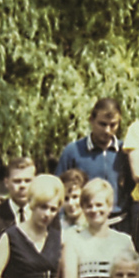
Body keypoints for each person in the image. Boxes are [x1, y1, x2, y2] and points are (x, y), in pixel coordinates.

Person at [62, 179, 135, 278]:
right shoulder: (72, 239)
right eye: (89, 206)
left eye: (99, 205)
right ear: (82, 208)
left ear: (109, 207)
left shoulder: (124, 241)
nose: (94, 210)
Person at [56, 98, 134, 231]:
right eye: (102, 124)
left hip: (119, 222)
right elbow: (58, 189)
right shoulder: (74, 151)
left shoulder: (125, 151)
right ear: (91, 120)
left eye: (113, 125)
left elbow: (132, 187)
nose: (107, 130)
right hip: (84, 222)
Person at [58, 168, 88, 233]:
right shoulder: (58, 228)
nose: (70, 203)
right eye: (66, 198)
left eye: (75, 197)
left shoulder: (93, 226)